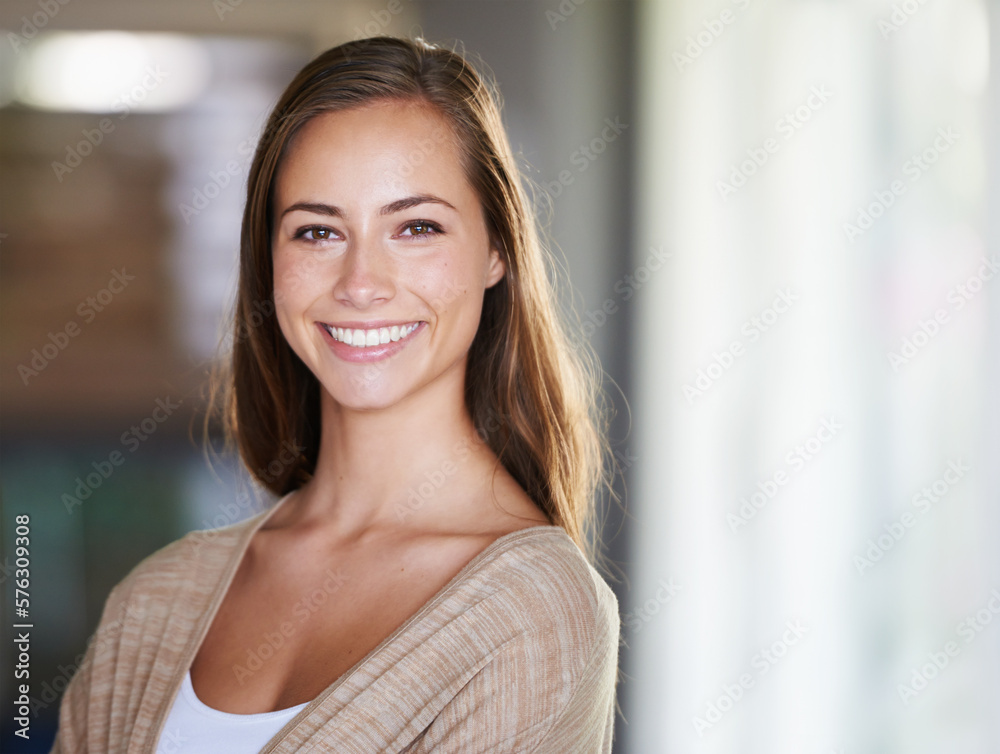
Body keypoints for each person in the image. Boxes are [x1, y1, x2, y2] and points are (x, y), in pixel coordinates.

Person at [50, 34, 621, 753]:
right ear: (269, 260)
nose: (359, 284)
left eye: (416, 227)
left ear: (496, 251)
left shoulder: (534, 611)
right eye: (317, 231)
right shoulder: (156, 597)